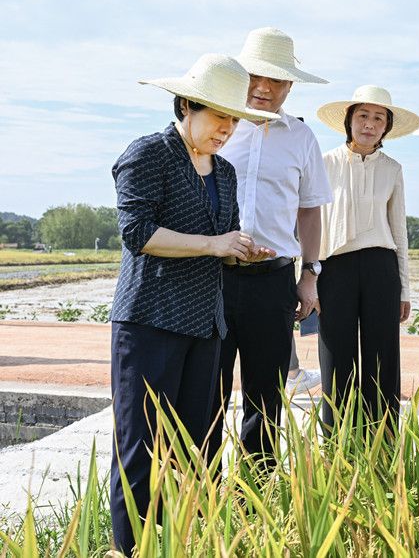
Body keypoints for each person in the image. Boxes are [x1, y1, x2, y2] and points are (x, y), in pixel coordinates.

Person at [109, 53, 277, 555]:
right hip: (150, 321)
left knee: (197, 448)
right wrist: (215, 244)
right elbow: (136, 233)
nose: (227, 128)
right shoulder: (148, 154)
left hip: (206, 326)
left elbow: (219, 241)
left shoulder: (224, 172)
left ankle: (184, 544)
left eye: (233, 119)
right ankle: (130, 547)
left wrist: (241, 250)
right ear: (186, 105)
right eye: (218, 116)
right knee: (140, 448)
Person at [208, 28, 332, 465]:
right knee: (208, 392)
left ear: (290, 86)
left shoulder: (301, 138)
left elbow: (310, 210)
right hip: (212, 279)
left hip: (273, 281)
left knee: (265, 399)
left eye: (276, 80)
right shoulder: (215, 126)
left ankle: (253, 495)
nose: (263, 88)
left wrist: (310, 274)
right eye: (255, 76)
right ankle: (200, 497)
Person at [315, 85, 419, 431]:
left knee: (382, 360)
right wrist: (308, 276)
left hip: (381, 269)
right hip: (334, 269)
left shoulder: (392, 168)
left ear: (387, 127)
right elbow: (309, 222)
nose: (369, 124)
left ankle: (384, 443)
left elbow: (399, 231)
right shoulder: (324, 163)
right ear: (349, 120)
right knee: (336, 360)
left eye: (378, 118)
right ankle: (335, 446)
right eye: (363, 115)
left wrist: (404, 289)